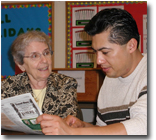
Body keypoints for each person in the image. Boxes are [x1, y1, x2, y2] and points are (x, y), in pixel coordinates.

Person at [36, 8, 147, 135]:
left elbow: (144, 125)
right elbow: (104, 130)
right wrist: (83, 126)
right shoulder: (111, 77)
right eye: (95, 52)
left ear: (131, 45)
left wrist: (72, 133)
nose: (98, 60)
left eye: (105, 52)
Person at [1, 30, 82, 120]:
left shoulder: (66, 84)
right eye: (35, 56)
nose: (44, 60)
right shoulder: (8, 87)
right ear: (21, 64)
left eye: (46, 53)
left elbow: (68, 122)